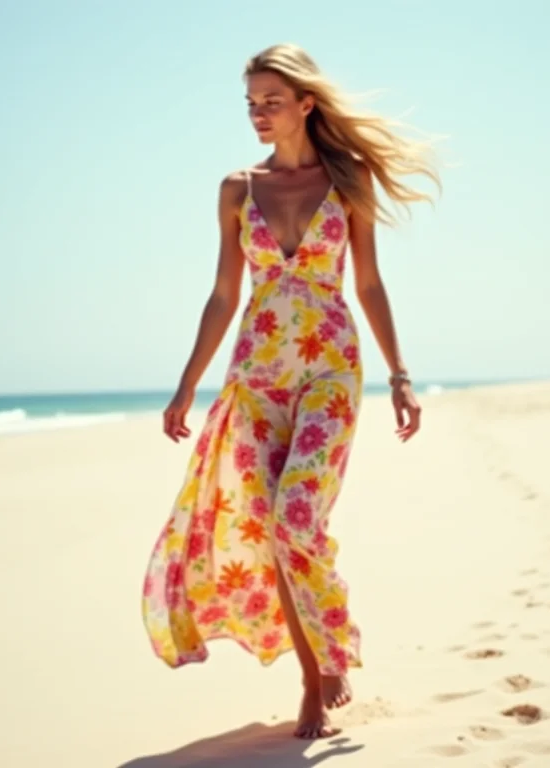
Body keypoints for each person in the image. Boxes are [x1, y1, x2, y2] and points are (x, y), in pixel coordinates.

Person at [141, 43, 440, 740]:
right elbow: (223, 294)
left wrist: (400, 376)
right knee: (270, 527)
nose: (258, 114)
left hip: (331, 369)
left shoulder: (349, 178)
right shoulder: (236, 189)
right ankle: (317, 672)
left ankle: (325, 660)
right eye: (250, 102)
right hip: (256, 377)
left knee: (295, 518)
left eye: (270, 101)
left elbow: (366, 284)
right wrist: (187, 384)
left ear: (306, 103)